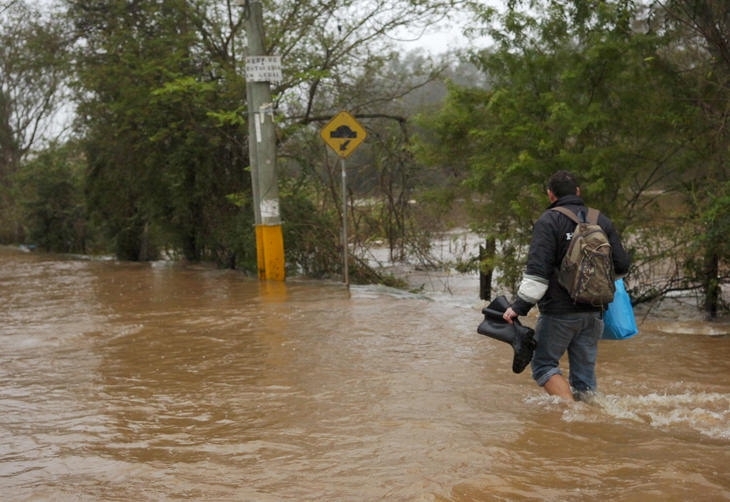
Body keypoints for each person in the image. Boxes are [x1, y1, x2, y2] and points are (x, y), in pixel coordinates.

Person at [502, 171, 631, 401]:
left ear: (550, 194)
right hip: (594, 312)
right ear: (578, 191)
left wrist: (518, 307)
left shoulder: (549, 220)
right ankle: (587, 424)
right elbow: (621, 265)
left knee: (543, 365)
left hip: (559, 313)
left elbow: (538, 272)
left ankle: (572, 415)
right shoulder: (600, 219)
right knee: (584, 378)